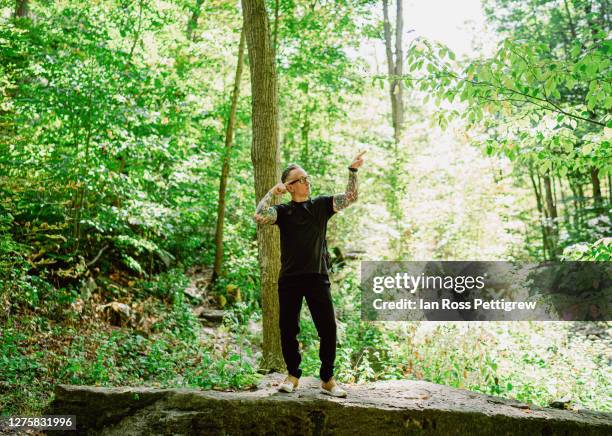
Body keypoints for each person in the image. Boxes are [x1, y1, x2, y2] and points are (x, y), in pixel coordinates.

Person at [253, 151, 366, 398]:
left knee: (328, 329)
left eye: (307, 177)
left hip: (317, 276)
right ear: (291, 187)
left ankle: (327, 379)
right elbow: (259, 215)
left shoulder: (321, 205)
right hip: (290, 279)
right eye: (301, 179)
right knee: (288, 328)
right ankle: (293, 375)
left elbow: (351, 197)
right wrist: (273, 191)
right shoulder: (282, 211)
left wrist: (353, 171)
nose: (307, 181)